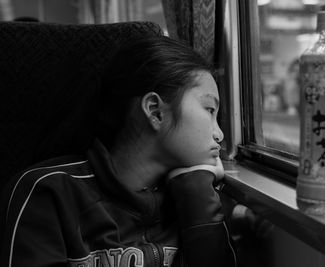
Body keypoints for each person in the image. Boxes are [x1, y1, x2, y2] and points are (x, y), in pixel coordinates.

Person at [0, 36, 236, 267]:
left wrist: (196, 193)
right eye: (209, 110)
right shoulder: (48, 193)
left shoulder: (192, 198)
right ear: (155, 111)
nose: (219, 134)